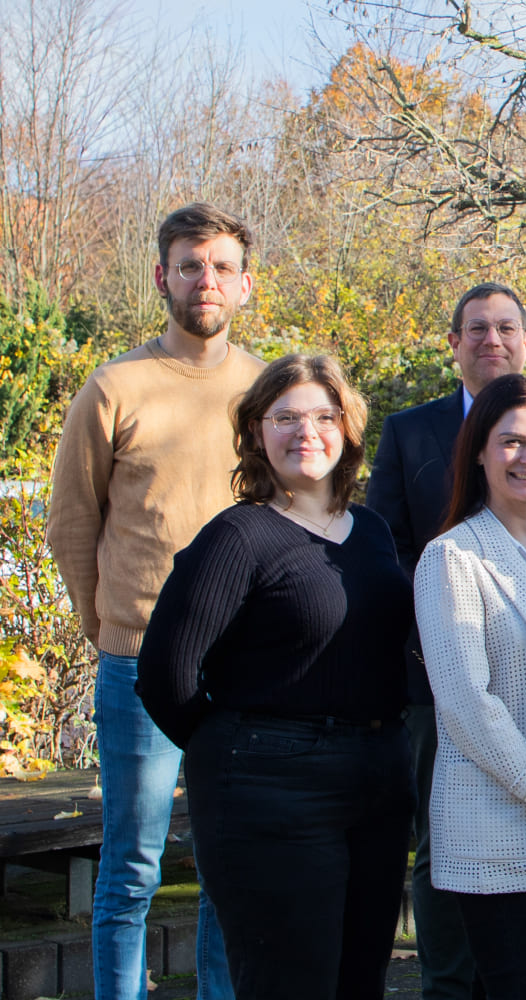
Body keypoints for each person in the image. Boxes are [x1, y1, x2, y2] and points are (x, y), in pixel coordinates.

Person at [366, 282, 526, 1000]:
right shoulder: (452, 552)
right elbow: (470, 704)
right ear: (478, 453)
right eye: (511, 443)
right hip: (491, 787)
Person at [135, 354, 414, 999]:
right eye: (284, 417)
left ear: (347, 429)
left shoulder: (370, 531)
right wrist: (237, 749)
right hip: (271, 789)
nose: (304, 431)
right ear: (256, 432)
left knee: (360, 977)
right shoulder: (239, 536)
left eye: (322, 415)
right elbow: (164, 673)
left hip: (377, 779)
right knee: (290, 983)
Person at [45, 202, 260, 1000]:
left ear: (245, 286)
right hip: (135, 666)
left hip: (242, 674)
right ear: (162, 275)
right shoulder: (115, 388)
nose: (206, 280)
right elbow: (73, 523)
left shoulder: (266, 391)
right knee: (132, 867)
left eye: (222, 267)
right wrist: (106, 630)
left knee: (223, 866)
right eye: (191, 264)